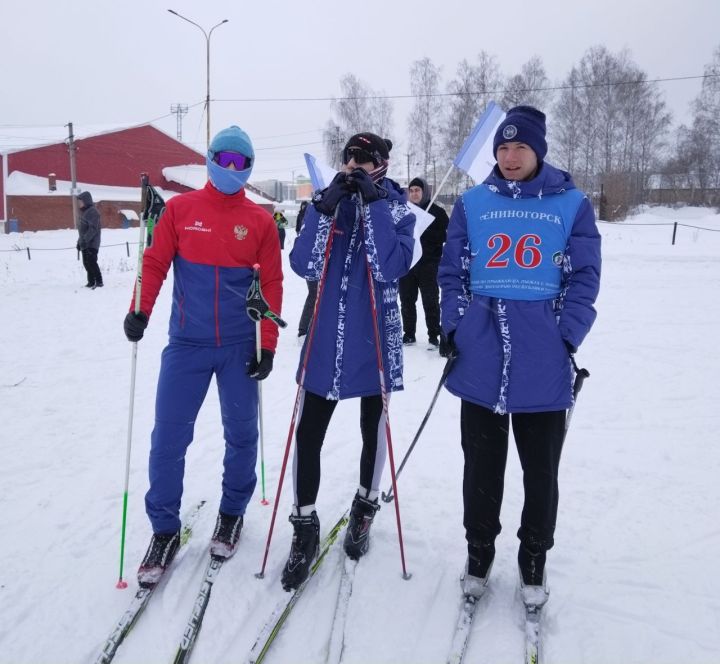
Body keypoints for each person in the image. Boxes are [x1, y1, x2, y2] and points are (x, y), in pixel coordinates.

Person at [438, 106, 601, 606]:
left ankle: (534, 556)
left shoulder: (571, 203)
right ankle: (479, 550)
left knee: (540, 471)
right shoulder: (472, 202)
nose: (510, 157)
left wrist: (566, 336)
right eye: (503, 148)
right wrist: (455, 324)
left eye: (521, 148)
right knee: (481, 467)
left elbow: (584, 277)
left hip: (543, 360)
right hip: (481, 355)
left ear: (538, 151)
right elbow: (452, 270)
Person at [122, 125, 283, 585]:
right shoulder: (180, 209)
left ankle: (232, 512)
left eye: (241, 163)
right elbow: (153, 263)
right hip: (187, 346)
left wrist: (266, 344)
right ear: (210, 160)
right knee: (168, 440)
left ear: (249, 168)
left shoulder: (260, 222)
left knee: (241, 435)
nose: (231, 169)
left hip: (238, 346)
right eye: (224, 160)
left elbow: (271, 283)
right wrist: (140, 310)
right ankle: (164, 530)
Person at [281, 132, 415, 590]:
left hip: (374, 336)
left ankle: (364, 506)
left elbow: (389, 267)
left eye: (366, 158)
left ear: (382, 164)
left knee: (371, 430)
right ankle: (304, 524)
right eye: (350, 156)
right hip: (324, 340)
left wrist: (375, 205)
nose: (355, 164)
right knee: (309, 432)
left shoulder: (399, 209)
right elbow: (304, 265)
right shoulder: (327, 203)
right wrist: (322, 210)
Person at [399, 177, 449, 348]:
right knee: (406, 300)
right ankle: (409, 334)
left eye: (417, 190)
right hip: (408, 263)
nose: (414, 193)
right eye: (411, 190)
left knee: (430, 300)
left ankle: (434, 335)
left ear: (424, 191)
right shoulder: (405, 211)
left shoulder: (437, 212)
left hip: (429, 264)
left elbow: (444, 236)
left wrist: (425, 231)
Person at [294, 201, 317, 339]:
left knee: (316, 295)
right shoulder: (311, 219)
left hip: (313, 260)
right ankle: (304, 329)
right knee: (314, 294)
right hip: (312, 261)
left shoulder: (308, 215)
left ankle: (309, 327)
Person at [76, 191, 103, 289]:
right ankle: (91, 281)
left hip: (92, 243)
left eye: (80, 202)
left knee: (91, 262)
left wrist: (85, 240)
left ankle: (99, 281)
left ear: (86, 201)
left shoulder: (92, 212)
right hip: (85, 243)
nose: (79, 204)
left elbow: (93, 229)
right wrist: (79, 242)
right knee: (86, 263)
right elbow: (82, 231)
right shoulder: (84, 213)